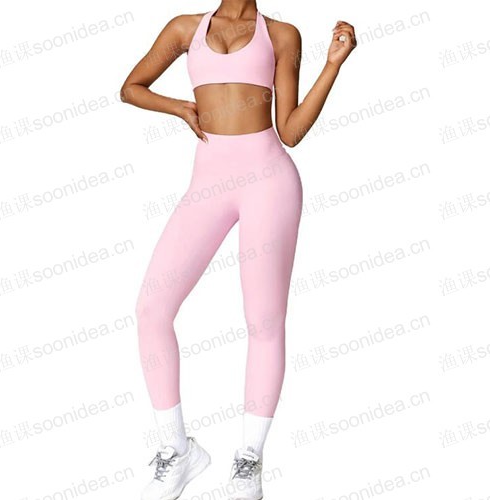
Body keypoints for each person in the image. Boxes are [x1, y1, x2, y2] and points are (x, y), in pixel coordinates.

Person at [120, 2, 356, 499]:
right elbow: (131, 88)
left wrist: (332, 65)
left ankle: (249, 462)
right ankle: (178, 450)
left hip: (269, 180)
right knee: (151, 309)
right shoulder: (185, 29)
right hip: (208, 181)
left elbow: (290, 131)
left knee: (264, 321)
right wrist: (179, 107)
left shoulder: (283, 34)